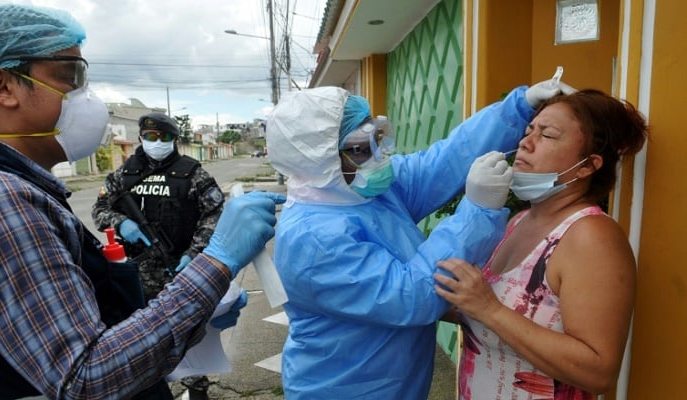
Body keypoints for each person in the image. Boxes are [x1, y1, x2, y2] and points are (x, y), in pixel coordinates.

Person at [0, 4, 284, 399]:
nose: (84, 96)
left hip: (178, 272)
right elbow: (87, 378)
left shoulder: (189, 171)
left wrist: (198, 283)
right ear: (2, 86)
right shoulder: (3, 198)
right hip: (152, 276)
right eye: (69, 76)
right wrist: (217, 263)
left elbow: (85, 342)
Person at [264, 79, 572, 399]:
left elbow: (442, 163)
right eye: (359, 148)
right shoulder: (314, 239)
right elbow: (411, 296)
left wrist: (517, 108)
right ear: (320, 161)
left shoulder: (361, 186)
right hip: (345, 387)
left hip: (394, 381)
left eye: (377, 135)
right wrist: (476, 213)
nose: (378, 153)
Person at [433, 89, 648, 399]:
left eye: (547, 135)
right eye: (529, 130)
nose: (525, 142)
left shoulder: (591, 237)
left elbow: (599, 371)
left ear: (588, 166)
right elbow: (488, 312)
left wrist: (488, 308)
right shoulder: (518, 223)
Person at [91, 111, 233, 398]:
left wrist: (194, 253)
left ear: (174, 140)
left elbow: (215, 214)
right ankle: (152, 386)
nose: (157, 142)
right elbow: (99, 211)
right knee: (139, 334)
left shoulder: (192, 173)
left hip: (180, 268)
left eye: (165, 137)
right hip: (135, 271)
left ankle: (196, 386)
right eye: (151, 137)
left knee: (191, 331)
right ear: (141, 138)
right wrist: (121, 222)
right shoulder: (123, 174)